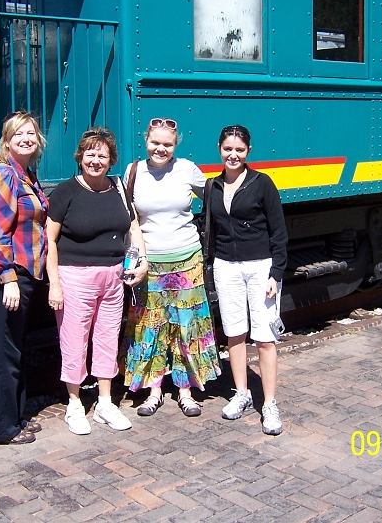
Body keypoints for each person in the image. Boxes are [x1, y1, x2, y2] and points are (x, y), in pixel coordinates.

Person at [46, 127, 149, 435]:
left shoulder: (118, 188)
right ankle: (74, 403)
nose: (95, 160)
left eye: (102, 155)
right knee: (74, 340)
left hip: (114, 276)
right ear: (80, 157)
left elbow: (133, 227)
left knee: (107, 337)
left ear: (111, 160)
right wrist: (54, 284)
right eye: (90, 154)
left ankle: (105, 402)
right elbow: (50, 241)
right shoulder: (66, 192)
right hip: (75, 277)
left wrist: (143, 261)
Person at [121, 117, 221, 417]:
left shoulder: (187, 169)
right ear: (146, 141)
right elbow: (128, 218)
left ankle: (185, 391)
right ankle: (154, 391)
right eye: (155, 142)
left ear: (175, 145)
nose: (160, 149)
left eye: (167, 144)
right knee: (150, 328)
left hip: (187, 261)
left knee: (185, 326)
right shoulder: (134, 171)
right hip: (148, 264)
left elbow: (216, 197)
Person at [209, 125, 288, 435]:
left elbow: (278, 232)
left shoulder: (262, 183)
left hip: (260, 267)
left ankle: (269, 403)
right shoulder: (213, 185)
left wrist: (276, 273)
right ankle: (241, 393)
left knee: (265, 337)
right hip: (226, 267)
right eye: (228, 149)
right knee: (234, 333)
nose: (233, 154)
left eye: (239, 150)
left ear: (248, 152)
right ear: (219, 149)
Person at [0, 111, 48, 445]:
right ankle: (1, 429)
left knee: (15, 347)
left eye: (31, 133)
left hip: (23, 273)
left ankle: (15, 419)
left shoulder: (26, 175)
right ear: (6, 141)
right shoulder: (3, 174)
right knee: (4, 351)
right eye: (18, 133)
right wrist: (7, 278)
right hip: (10, 273)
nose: (26, 138)